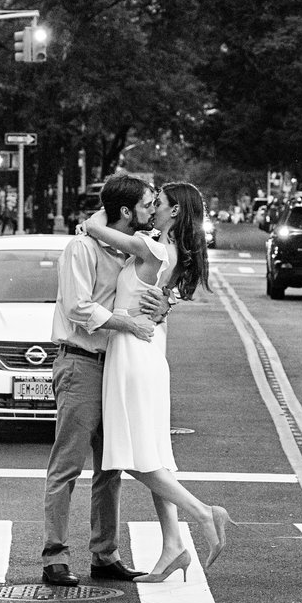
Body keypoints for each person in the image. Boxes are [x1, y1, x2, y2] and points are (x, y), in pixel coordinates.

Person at [84, 181, 228, 579]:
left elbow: (96, 227)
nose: (152, 209)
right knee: (154, 453)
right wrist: (169, 300)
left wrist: (106, 214)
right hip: (146, 348)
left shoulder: (154, 248)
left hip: (133, 352)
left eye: (157, 203)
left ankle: (202, 512)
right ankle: (173, 546)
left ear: (175, 211)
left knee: (131, 454)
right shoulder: (166, 248)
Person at [40, 174, 166, 587]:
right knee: (69, 463)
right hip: (80, 363)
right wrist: (127, 323)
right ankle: (54, 556)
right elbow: (78, 307)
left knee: (111, 464)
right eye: (148, 204)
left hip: (116, 364)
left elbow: (149, 293)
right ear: (127, 210)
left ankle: (104, 554)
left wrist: (161, 306)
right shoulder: (82, 247)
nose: (153, 210)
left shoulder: (129, 251)